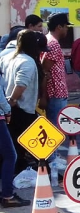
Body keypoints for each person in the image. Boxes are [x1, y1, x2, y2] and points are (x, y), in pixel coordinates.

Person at [0, 30, 45, 176]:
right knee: (38, 142)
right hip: (21, 107)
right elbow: (21, 84)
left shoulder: (10, 58)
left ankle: (19, 169)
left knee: (16, 143)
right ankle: (43, 170)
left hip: (10, 107)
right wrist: (12, 99)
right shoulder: (27, 61)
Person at [42, 13, 71, 126]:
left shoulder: (48, 40)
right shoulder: (53, 44)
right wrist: (44, 96)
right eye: (66, 26)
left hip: (56, 93)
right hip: (55, 94)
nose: (67, 29)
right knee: (56, 130)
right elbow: (45, 71)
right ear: (59, 27)